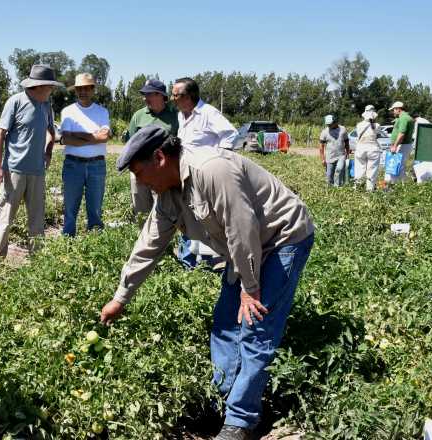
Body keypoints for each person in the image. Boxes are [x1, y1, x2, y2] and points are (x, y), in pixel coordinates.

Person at [101, 126, 315, 440]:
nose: (141, 182)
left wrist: (250, 288)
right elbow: (149, 244)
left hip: (282, 238)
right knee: (226, 324)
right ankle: (222, 400)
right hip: (243, 249)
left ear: (159, 158)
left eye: (139, 173)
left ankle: (240, 422)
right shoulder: (169, 192)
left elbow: (242, 228)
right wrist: (121, 297)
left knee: (256, 327)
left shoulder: (212, 169)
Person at [0, 65, 61, 267]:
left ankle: (37, 258)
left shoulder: (46, 106)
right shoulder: (16, 102)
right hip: (14, 170)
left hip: (37, 172)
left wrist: (48, 152)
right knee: (6, 215)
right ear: (39, 86)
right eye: (50, 86)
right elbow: (0, 134)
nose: (52, 90)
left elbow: (51, 132)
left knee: (37, 218)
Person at [172, 77, 238, 268]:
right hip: (186, 174)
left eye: (176, 95)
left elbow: (231, 134)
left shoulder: (208, 113)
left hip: (203, 176)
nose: (173, 99)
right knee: (186, 216)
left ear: (188, 96)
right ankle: (187, 261)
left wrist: (219, 160)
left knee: (204, 217)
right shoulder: (181, 116)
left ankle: (207, 260)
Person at [59, 72, 110, 236]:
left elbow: (104, 137)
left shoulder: (102, 112)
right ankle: (68, 240)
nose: (83, 92)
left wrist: (78, 135)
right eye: (79, 88)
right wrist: (93, 136)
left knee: (95, 208)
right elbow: (67, 139)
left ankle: (94, 240)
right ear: (75, 90)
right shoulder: (68, 111)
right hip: (73, 164)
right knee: (70, 208)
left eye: (87, 88)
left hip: (97, 165)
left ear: (93, 90)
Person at [125, 79, 179, 215]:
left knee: (164, 211)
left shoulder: (175, 116)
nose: (145, 98)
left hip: (163, 171)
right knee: (141, 210)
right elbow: (130, 144)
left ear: (161, 95)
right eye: (144, 94)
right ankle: (142, 229)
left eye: (149, 94)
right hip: (140, 170)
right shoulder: (138, 116)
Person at [353, 106, 383, 191]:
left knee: (359, 169)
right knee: (372, 170)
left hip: (360, 148)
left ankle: (358, 187)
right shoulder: (377, 125)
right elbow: (377, 135)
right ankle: (370, 189)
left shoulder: (359, 125)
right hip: (373, 149)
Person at [386, 101, 415, 185]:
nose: (393, 112)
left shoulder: (404, 118)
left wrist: (395, 145)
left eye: (393, 110)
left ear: (398, 109)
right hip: (403, 145)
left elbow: (402, 133)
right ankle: (400, 184)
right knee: (399, 166)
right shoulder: (403, 117)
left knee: (398, 166)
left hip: (402, 145)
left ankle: (398, 185)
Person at [319, 115, 349, 187]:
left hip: (341, 155)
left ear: (335, 122)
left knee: (339, 169)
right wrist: (323, 159)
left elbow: (346, 142)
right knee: (329, 176)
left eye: (330, 124)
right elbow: (321, 147)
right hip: (330, 157)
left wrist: (347, 153)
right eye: (327, 124)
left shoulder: (343, 129)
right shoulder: (324, 132)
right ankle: (330, 188)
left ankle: (337, 187)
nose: (328, 126)